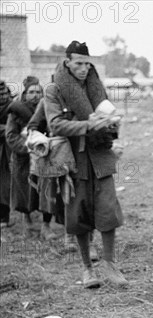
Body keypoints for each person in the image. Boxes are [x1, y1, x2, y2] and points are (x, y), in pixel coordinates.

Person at [44, 40, 126, 289]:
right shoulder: (54, 89)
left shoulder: (95, 87)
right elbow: (55, 124)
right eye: (78, 64)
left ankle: (110, 265)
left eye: (87, 65)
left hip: (100, 156)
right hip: (73, 160)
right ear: (67, 62)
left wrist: (111, 124)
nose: (84, 69)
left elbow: (107, 114)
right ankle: (87, 268)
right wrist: (88, 125)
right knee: (78, 213)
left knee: (108, 209)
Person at [5, 76, 43, 236]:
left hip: (43, 156)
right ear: (25, 94)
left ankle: (45, 221)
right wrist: (27, 147)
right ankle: (26, 219)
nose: (35, 95)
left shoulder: (45, 109)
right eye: (31, 92)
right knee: (23, 189)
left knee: (43, 188)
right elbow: (11, 135)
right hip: (23, 158)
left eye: (38, 92)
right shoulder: (16, 111)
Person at [27, 97, 66, 241]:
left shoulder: (78, 99)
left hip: (74, 151)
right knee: (49, 190)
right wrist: (43, 140)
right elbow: (33, 125)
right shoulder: (46, 102)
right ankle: (46, 225)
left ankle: (71, 228)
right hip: (53, 152)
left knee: (72, 189)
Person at [0, 80, 13, 229]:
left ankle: (4, 216)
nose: (2, 96)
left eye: (4, 93)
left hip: (7, 150)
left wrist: (8, 129)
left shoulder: (13, 107)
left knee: (4, 185)